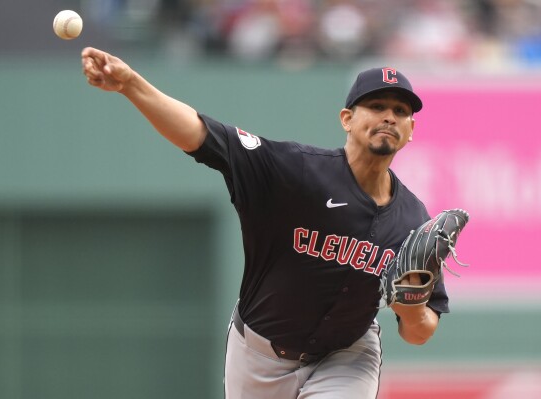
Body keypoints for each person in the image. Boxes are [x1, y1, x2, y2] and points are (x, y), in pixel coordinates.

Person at [81, 47, 449, 398]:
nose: (389, 116)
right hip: (258, 353)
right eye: (376, 105)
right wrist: (130, 84)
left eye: (400, 111)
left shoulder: (414, 222)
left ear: (411, 129)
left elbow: (419, 333)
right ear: (347, 119)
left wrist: (412, 306)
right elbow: (200, 134)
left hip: (347, 355)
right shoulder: (297, 170)